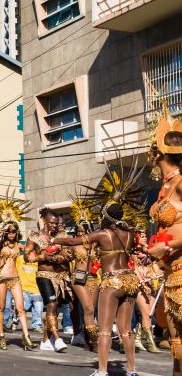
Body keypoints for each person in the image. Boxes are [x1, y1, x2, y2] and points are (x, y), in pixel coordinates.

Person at [53, 154, 145, 376]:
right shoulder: (130, 234)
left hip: (112, 281)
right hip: (131, 280)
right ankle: (132, 370)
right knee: (126, 330)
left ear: (105, 216)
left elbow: (75, 241)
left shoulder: (103, 234)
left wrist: (57, 240)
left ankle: (102, 371)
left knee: (104, 329)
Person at [146, 102, 182, 374]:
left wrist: (167, 245)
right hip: (171, 271)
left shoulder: (181, 182)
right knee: (176, 343)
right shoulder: (165, 186)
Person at [0, 189, 36, 351]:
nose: (11, 234)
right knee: (1, 308)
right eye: (9, 231)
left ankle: (26, 337)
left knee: (20, 308)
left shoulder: (18, 245)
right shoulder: (0, 244)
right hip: (1, 279)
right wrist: (1, 232)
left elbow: (29, 252)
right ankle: (1, 335)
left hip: (15, 279)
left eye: (14, 231)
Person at [24, 207, 73, 353]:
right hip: (44, 275)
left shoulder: (63, 235)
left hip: (61, 276)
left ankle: (46, 340)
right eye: (52, 223)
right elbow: (27, 257)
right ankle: (57, 338)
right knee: (51, 305)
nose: (54, 225)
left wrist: (61, 257)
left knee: (55, 309)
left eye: (56, 223)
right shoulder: (34, 237)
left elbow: (71, 253)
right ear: (44, 222)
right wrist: (42, 257)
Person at [67, 195, 101, 351]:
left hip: (94, 279)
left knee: (91, 311)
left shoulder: (96, 246)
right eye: (78, 231)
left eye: (83, 231)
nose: (81, 234)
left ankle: (88, 337)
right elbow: (64, 257)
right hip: (79, 279)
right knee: (87, 308)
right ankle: (94, 339)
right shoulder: (74, 245)